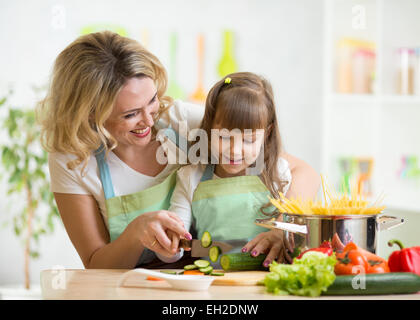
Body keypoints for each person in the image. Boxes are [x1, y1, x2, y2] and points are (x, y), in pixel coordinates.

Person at [37, 31, 319, 269]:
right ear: (89, 115)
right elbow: (96, 263)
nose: (150, 120)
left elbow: (302, 172)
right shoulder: (72, 158)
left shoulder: (183, 123)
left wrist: (283, 227)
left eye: (152, 100)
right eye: (131, 114)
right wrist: (136, 233)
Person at [166, 72, 320, 267]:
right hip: (214, 283)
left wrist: (283, 231)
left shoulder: (278, 173)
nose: (235, 150)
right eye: (223, 136)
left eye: (249, 139)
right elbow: (174, 246)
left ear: (267, 133)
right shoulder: (191, 176)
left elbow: (304, 223)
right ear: (209, 127)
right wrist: (169, 244)